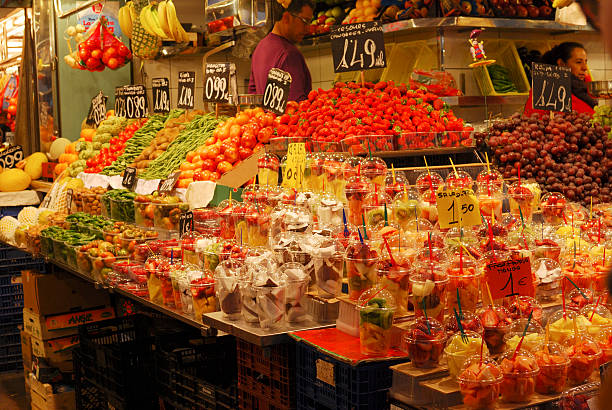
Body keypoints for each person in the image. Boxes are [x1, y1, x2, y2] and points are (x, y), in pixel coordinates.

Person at [248, 0, 314, 102]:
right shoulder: (289, 54)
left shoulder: (259, 48)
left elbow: (253, 94)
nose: (308, 29)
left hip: (265, 117)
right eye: (305, 21)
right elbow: (294, 106)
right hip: (285, 118)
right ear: (286, 18)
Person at [523, 42, 597, 117]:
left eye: (585, 62)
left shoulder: (587, 87)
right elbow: (533, 120)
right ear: (562, 64)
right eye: (578, 62)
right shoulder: (546, 89)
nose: (584, 68)